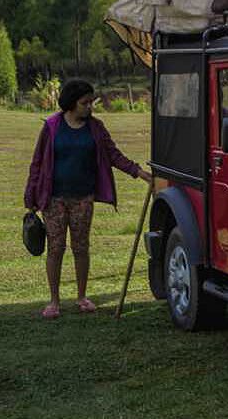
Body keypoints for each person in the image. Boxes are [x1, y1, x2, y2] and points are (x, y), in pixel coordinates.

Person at [24, 79, 152, 319]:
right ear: (72, 103)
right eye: (85, 103)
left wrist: (140, 173)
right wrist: (30, 195)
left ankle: (82, 297)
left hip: (83, 197)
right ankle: (54, 302)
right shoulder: (52, 126)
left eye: (91, 102)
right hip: (53, 199)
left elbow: (114, 155)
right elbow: (37, 162)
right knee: (55, 248)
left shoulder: (96, 128)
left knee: (81, 248)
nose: (90, 107)